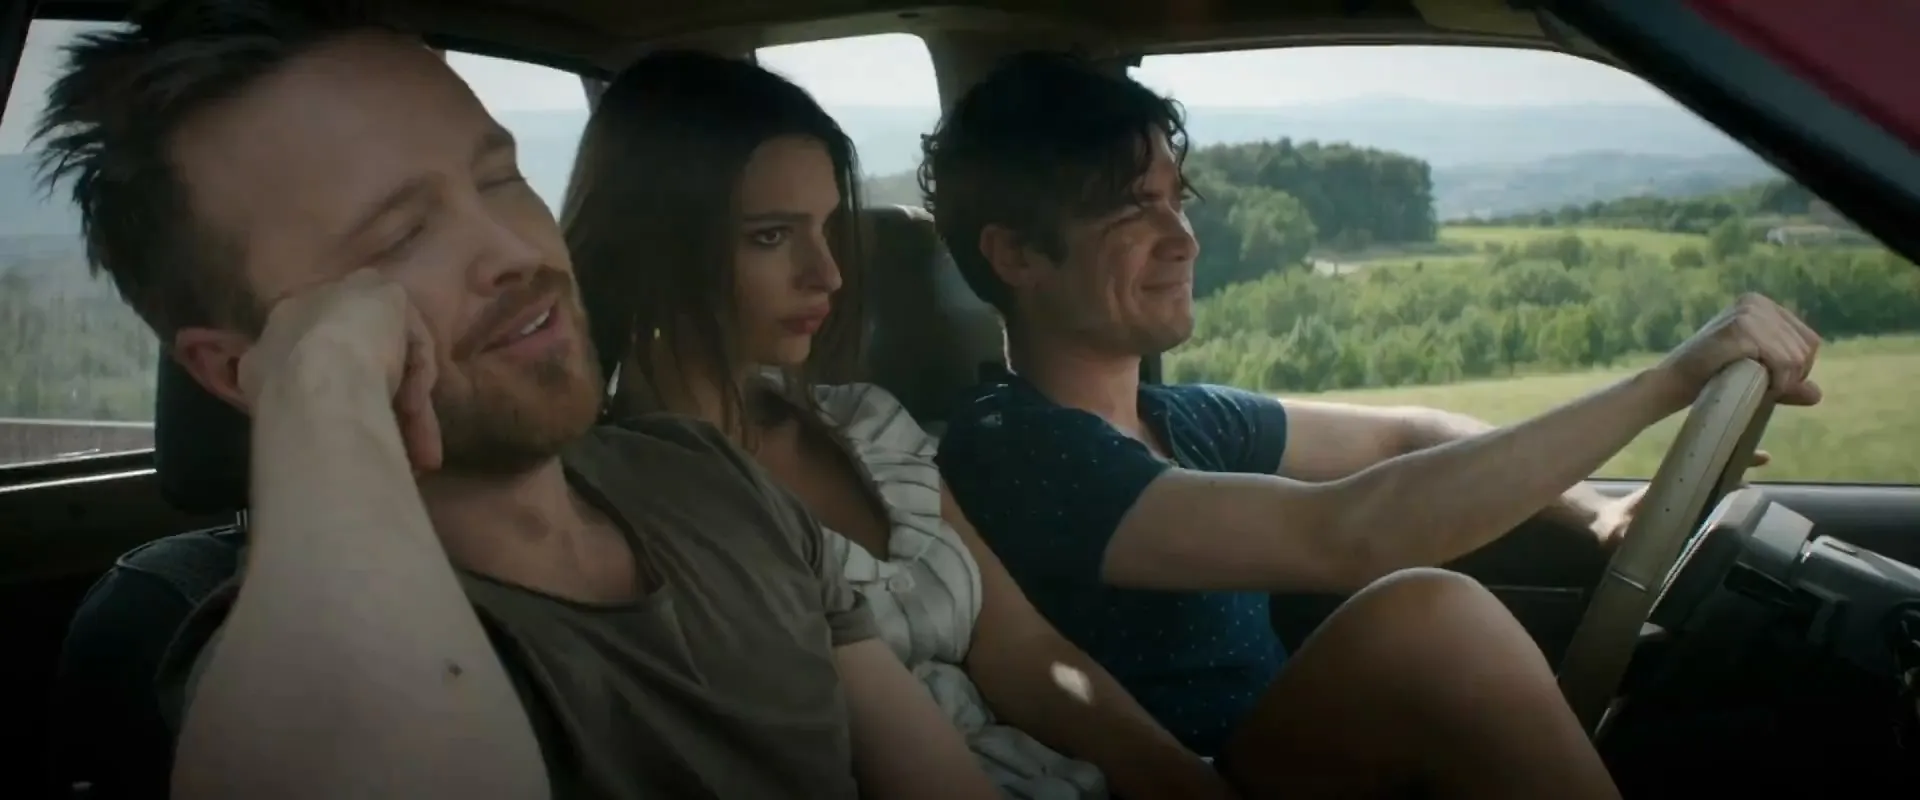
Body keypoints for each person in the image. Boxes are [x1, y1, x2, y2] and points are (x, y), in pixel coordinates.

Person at [35, 2, 1004, 798]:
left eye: (500, 178)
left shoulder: (710, 475)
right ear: (239, 366)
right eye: (398, 237)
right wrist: (320, 391)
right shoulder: (282, 655)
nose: (514, 248)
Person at [920, 52, 1822, 800]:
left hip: (1289, 760)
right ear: (1017, 254)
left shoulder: (1180, 418)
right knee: (1429, 624)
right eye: (1130, 208)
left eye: (1176, 199)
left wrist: (1595, 514)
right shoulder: (1014, 448)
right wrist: (1664, 384)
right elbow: (1348, 534)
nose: (1184, 238)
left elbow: (1404, 434)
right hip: (1188, 781)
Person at [563, 50, 1234, 800]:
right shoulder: (615, 505)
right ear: (655, 243)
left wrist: (1185, 785)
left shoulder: (867, 420)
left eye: (827, 228)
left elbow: (1028, 656)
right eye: (770, 236)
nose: (828, 274)